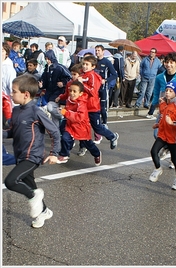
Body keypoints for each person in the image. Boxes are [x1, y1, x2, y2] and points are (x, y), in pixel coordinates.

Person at [3, 74, 61, 228]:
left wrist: (54, 153)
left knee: (10, 181)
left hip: (32, 156)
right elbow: (12, 132)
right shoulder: (16, 111)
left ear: (26, 94)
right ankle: (44, 211)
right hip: (20, 155)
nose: (11, 94)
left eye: (14, 91)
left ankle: (33, 197)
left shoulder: (36, 112)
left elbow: (54, 132)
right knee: (32, 186)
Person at [149, 80, 176, 190]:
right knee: (153, 151)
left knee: (174, 159)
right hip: (162, 134)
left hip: (173, 138)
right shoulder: (162, 104)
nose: (167, 93)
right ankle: (157, 169)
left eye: (170, 91)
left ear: (175, 93)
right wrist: (157, 125)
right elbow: (162, 117)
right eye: (166, 90)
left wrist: (172, 123)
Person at [76, 55, 119, 153]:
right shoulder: (82, 75)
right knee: (82, 128)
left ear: (93, 66)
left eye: (87, 64)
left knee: (98, 129)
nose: (84, 66)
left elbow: (93, 91)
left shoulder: (94, 76)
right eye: (83, 64)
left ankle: (112, 136)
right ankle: (83, 147)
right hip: (83, 107)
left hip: (93, 107)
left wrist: (82, 84)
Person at [56, 81, 102, 166]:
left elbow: (79, 117)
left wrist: (66, 113)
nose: (72, 93)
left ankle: (97, 154)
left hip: (82, 128)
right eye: (70, 91)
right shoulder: (69, 100)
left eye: (74, 91)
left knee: (88, 144)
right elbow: (68, 110)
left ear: (80, 93)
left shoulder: (82, 104)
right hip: (71, 126)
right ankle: (64, 155)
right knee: (65, 138)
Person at [145, 52, 176, 119]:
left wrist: (175, 106)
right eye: (167, 62)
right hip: (163, 106)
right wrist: (155, 103)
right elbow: (156, 91)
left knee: (172, 127)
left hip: (175, 108)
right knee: (159, 127)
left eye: (171, 62)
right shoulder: (159, 77)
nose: (168, 65)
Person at [38, 50, 71, 128]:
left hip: (59, 92)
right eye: (46, 58)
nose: (47, 60)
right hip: (50, 93)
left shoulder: (60, 67)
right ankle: (56, 132)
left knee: (50, 108)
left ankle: (62, 116)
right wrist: (41, 85)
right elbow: (44, 81)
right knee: (53, 115)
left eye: (48, 58)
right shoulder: (46, 69)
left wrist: (63, 83)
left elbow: (69, 77)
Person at [95, 45, 117, 125]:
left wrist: (106, 80)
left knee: (103, 108)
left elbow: (114, 75)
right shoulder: (94, 62)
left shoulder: (107, 62)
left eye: (98, 50)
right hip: (95, 88)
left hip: (103, 88)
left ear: (103, 52)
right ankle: (96, 122)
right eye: (96, 50)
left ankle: (104, 122)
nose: (97, 52)